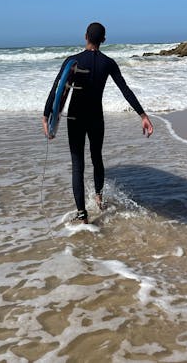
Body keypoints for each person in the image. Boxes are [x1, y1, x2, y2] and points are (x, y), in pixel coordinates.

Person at [43, 22, 154, 224]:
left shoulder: (73, 60)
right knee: (97, 158)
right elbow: (125, 90)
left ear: (85, 36)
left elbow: (57, 89)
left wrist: (46, 116)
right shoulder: (108, 63)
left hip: (75, 119)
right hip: (96, 118)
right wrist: (143, 115)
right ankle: (99, 198)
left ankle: (82, 214)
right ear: (103, 40)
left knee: (78, 165)